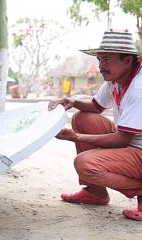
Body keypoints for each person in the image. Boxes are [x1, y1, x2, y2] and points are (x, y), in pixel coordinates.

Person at [48, 29, 142, 221]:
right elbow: (96, 106)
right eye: (100, 60)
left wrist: (76, 137)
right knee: (81, 118)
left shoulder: (138, 87)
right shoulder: (117, 79)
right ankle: (95, 192)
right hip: (132, 145)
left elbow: (122, 138)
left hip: (135, 147)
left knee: (85, 163)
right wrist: (72, 101)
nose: (101, 66)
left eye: (107, 59)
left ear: (127, 60)